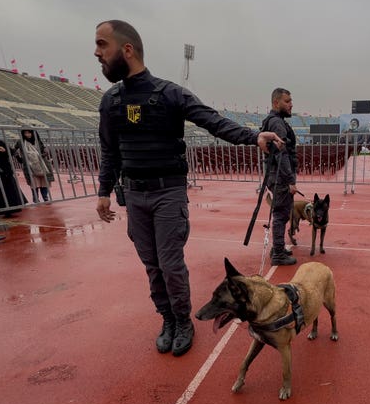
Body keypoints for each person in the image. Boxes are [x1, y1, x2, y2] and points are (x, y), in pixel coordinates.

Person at [93, 20, 283, 358]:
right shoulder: (110, 102)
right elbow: (109, 150)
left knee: (169, 263)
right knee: (151, 265)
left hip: (168, 193)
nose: (97, 52)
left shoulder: (169, 93)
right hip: (134, 195)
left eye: (102, 44)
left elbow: (213, 121)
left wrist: (253, 136)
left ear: (127, 49)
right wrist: (103, 190)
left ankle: (183, 321)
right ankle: (166, 319)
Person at [261, 88, 299, 266]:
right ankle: (277, 254)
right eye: (287, 101)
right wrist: (290, 180)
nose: (291, 104)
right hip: (281, 178)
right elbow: (281, 154)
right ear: (276, 103)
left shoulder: (276, 121)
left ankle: (278, 248)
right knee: (281, 215)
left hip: (277, 177)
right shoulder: (277, 123)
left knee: (281, 215)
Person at [12, 128, 53, 203]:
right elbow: (14, 150)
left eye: (29, 133)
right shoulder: (21, 142)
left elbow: (43, 150)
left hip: (41, 164)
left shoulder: (38, 141)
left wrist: (44, 153)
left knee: (44, 182)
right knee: (34, 183)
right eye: (25, 133)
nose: (27, 135)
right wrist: (18, 158)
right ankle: (35, 198)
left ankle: (45, 197)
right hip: (29, 165)